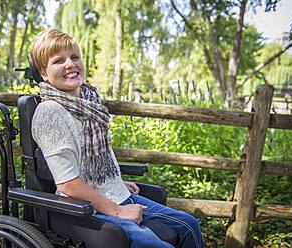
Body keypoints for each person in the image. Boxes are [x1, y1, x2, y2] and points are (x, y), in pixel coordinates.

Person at [30, 27, 204, 248]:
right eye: (58, 61)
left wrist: (114, 180)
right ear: (44, 73)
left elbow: (93, 159)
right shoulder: (50, 112)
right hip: (81, 207)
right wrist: (119, 211)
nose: (70, 64)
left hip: (114, 193)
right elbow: (68, 184)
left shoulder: (90, 103)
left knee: (189, 225)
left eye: (74, 57)